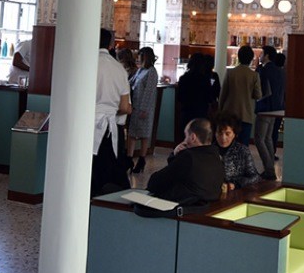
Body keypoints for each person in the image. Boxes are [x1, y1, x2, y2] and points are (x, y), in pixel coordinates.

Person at [90, 29, 132, 197]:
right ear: (110, 45)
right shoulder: (119, 69)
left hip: (88, 125)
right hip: (111, 126)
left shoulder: (87, 63)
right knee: (108, 169)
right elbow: (125, 107)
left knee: (89, 169)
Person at [146, 117, 224, 204]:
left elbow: (154, 184)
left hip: (184, 207)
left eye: (186, 136)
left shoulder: (189, 157)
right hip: (207, 205)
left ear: (193, 137)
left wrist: (175, 156)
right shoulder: (217, 157)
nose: (184, 141)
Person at [218, 45, 262, 146]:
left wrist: (220, 111)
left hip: (229, 114)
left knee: (228, 144)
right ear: (251, 59)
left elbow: (223, 94)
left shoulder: (230, 73)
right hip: (246, 115)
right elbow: (258, 95)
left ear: (238, 57)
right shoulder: (254, 75)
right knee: (243, 146)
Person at [254, 46, 284, 179]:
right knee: (268, 138)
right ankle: (270, 167)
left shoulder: (264, 70)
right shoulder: (280, 71)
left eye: (261, 53)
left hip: (265, 108)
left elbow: (259, 89)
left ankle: (269, 170)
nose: (260, 56)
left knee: (259, 138)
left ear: (266, 56)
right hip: (277, 108)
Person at [127, 46, 159, 174]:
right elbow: (131, 82)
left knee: (144, 135)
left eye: (140, 56)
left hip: (144, 107)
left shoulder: (152, 72)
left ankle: (142, 159)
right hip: (135, 106)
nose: (138, 58)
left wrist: (144, 109)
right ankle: (129, 158)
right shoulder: (140, 70)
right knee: (132, 134)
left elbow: (149, 92)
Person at [213, 111, 261, 190]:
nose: (223, 138)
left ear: (235, 134)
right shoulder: (209, 151)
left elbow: (255, 177)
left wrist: (236, 184)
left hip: (236, 193)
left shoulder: (242, 151)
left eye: (227, 134)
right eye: (220, 133)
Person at [177, 52, 219, 124]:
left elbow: (180, 97)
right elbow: (208, 96)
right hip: (201, 113)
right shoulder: (205, 79)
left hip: (186, 113)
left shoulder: (183, 78)